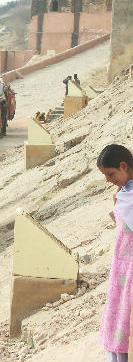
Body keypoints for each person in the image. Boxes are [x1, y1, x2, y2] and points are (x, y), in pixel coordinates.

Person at [97, 144, 133, 362]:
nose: (109, 180)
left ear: (123, 166)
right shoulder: (124, 193)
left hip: (130, 271)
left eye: (111, 174)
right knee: (118, 319)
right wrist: (116, 200)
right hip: (122, 267)